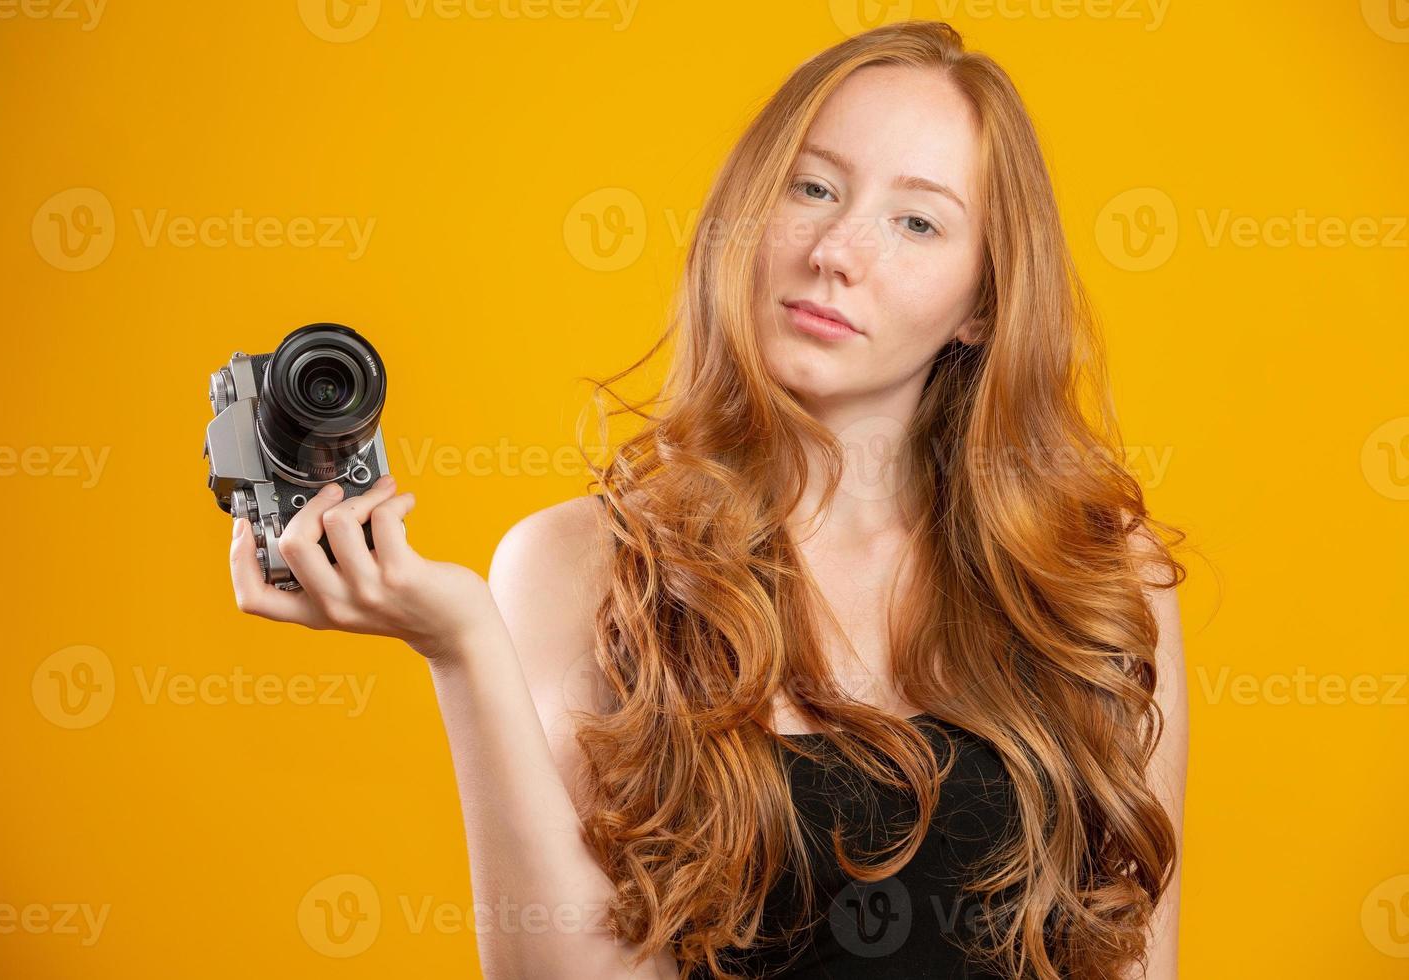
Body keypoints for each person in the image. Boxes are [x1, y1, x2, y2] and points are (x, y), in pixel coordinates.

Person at [229, 20, 1189, 980]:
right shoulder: (581, 564)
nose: (836, 251)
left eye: (917, 222)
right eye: (811, 188)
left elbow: (1138, 959)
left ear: (982, 301)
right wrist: (461, 646)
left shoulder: (1096, 574)